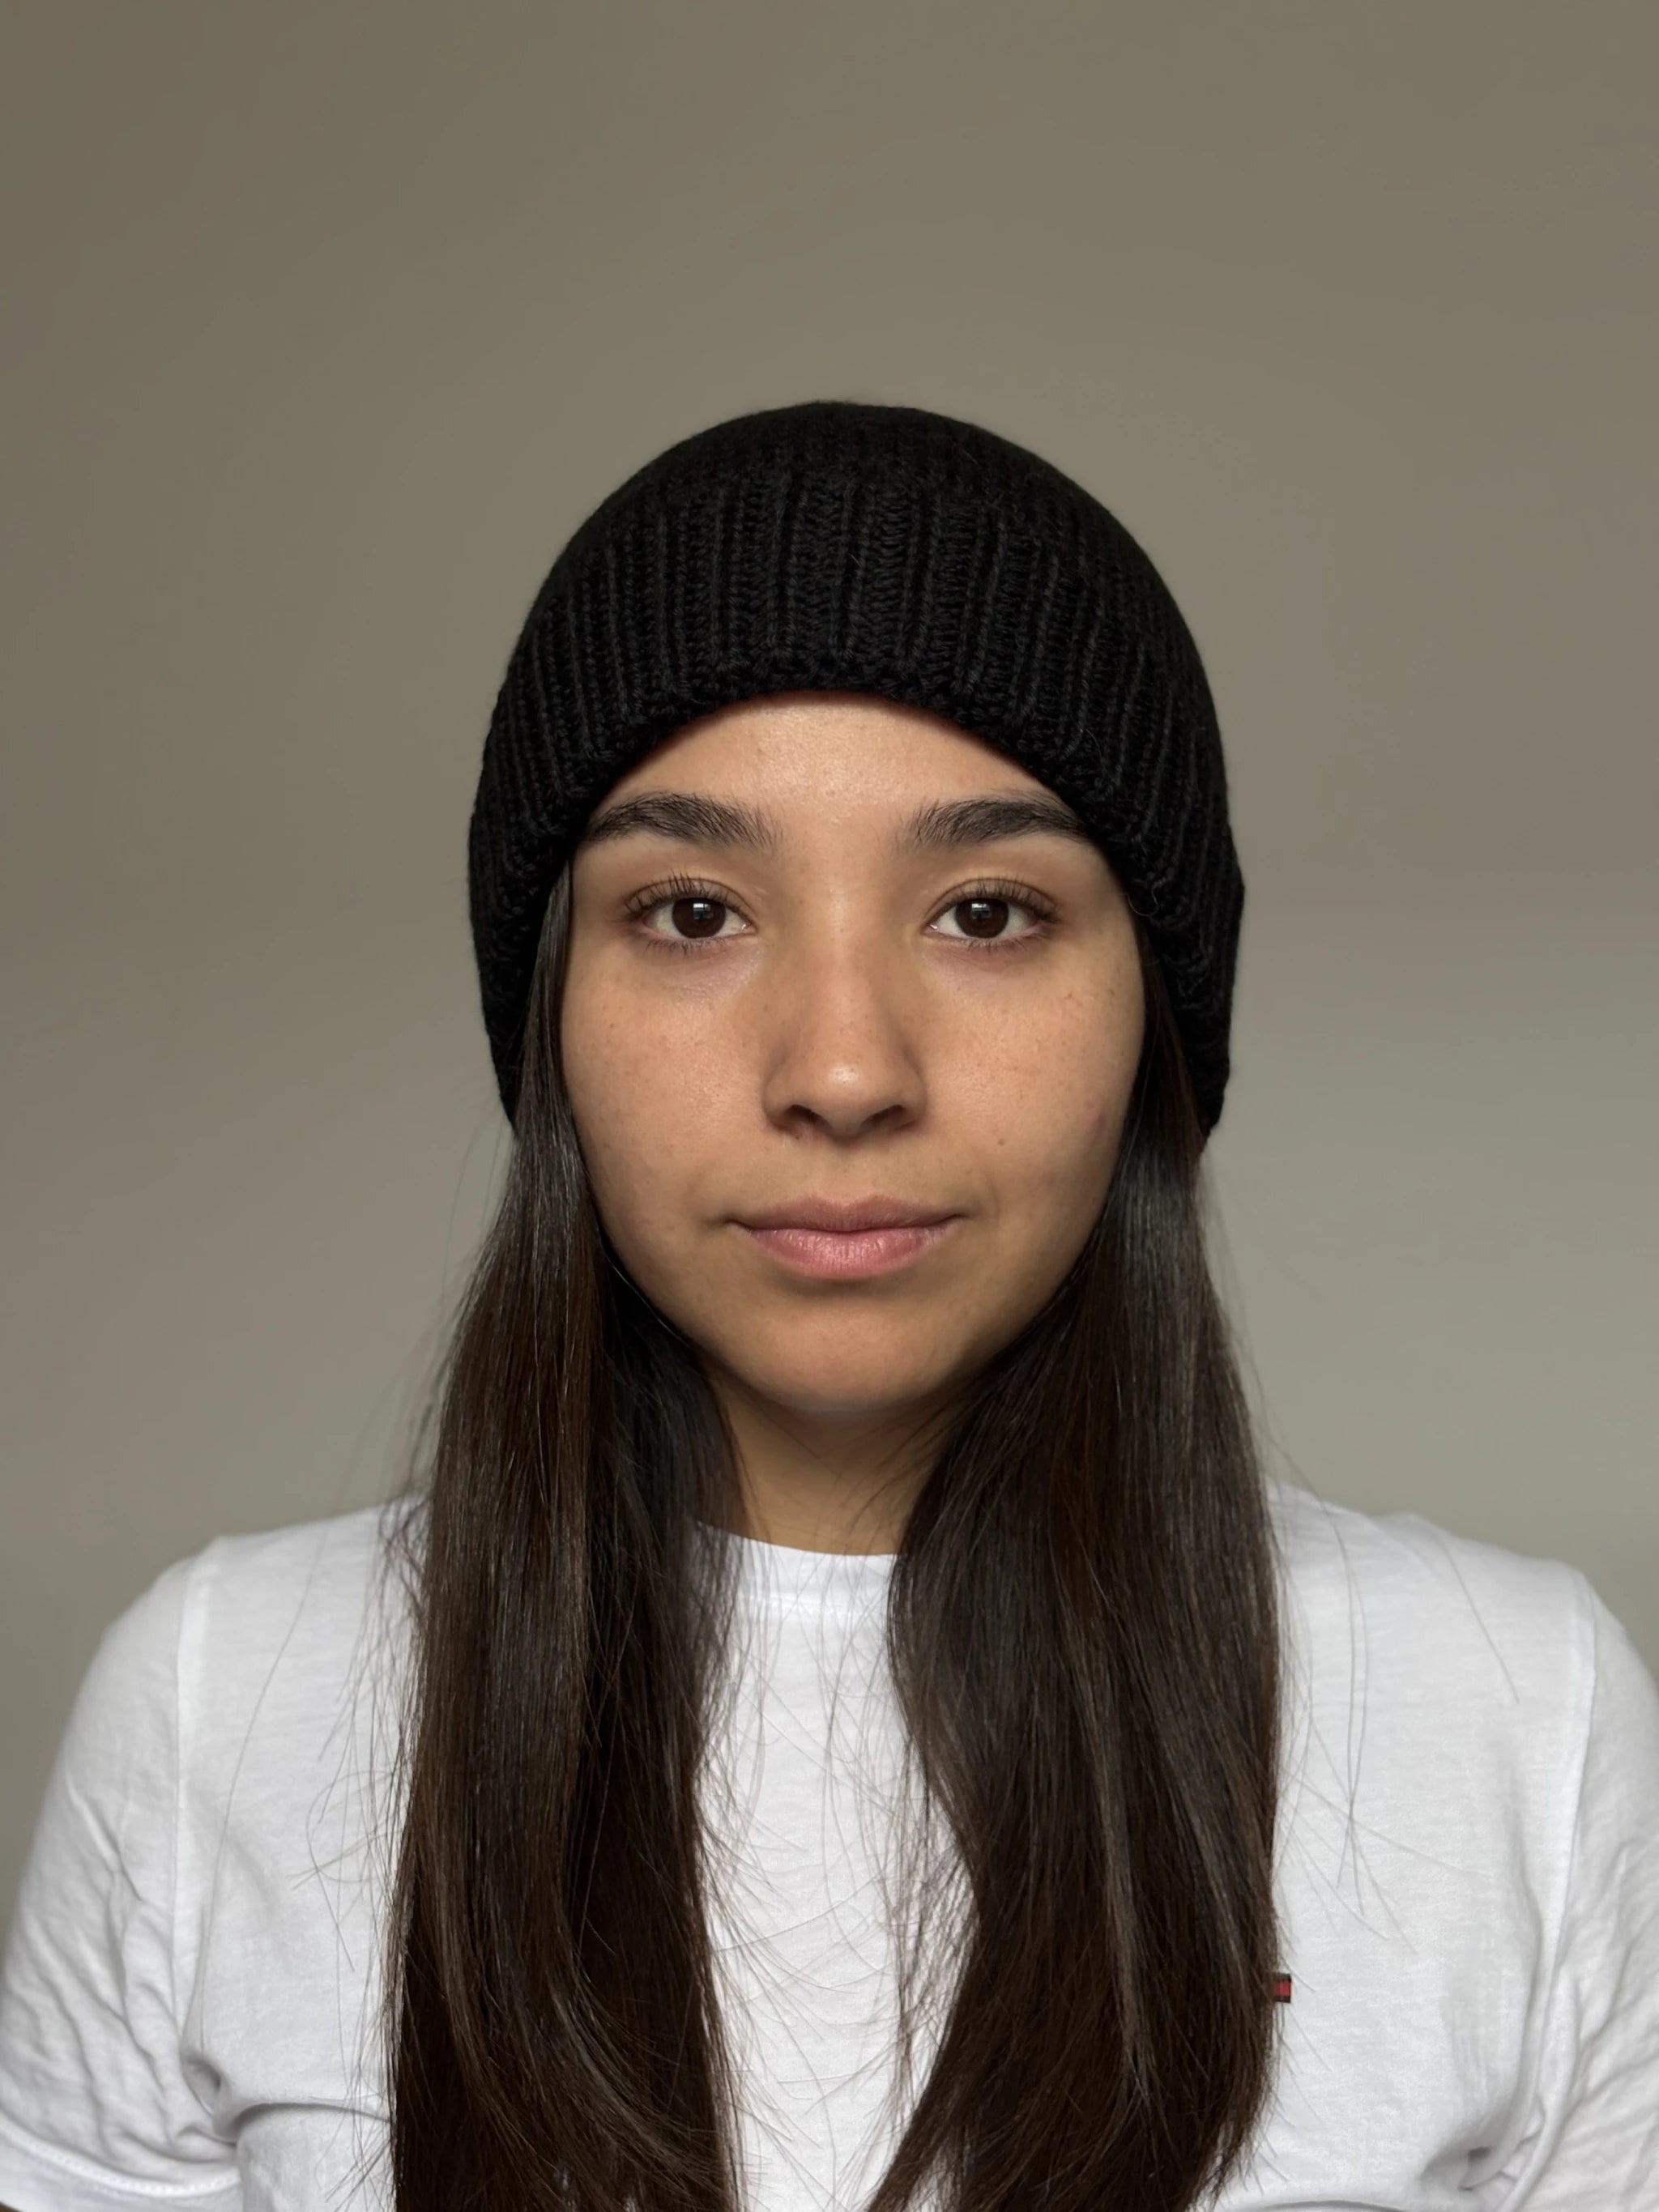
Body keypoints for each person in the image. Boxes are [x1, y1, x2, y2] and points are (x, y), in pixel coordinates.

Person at [1, 401, 1655, 2212]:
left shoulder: (1516, 1715)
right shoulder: (220, 1699)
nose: (846, 1066)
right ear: (552, 1007)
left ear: (1149, 1020)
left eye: (991, 910)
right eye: (697, 909)